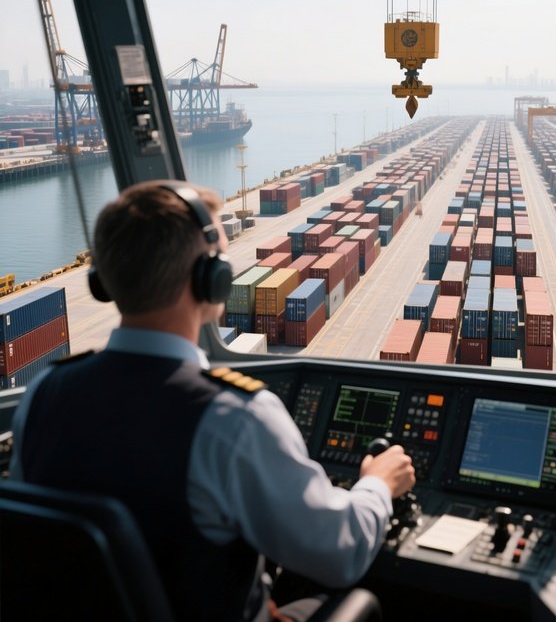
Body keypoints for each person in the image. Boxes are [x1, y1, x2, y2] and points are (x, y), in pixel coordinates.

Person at [10, 180, 415, 621]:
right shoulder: (233, 417)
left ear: (102, 280)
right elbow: (341, 553)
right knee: (359, 606)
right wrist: (378, 484)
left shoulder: (42, 394)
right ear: (212, 280)